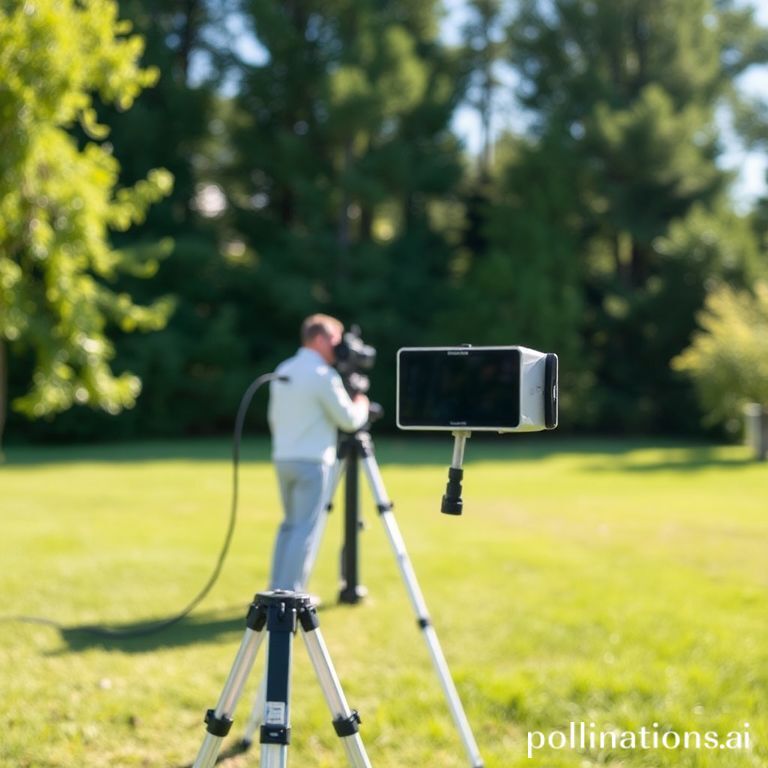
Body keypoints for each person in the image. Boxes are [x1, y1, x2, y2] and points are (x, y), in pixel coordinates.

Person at [267, 314, 370, 593]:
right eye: (336, 340)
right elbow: (349, 420)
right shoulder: (323, 375)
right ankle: (291, 595)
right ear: (320, 339)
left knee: (289, 526)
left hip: (283, 458)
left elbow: (273, 417)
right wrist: (361, 402)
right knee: (305, 530)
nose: (339, 347)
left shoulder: (284, 368)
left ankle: (276, 589)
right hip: (312, 461)